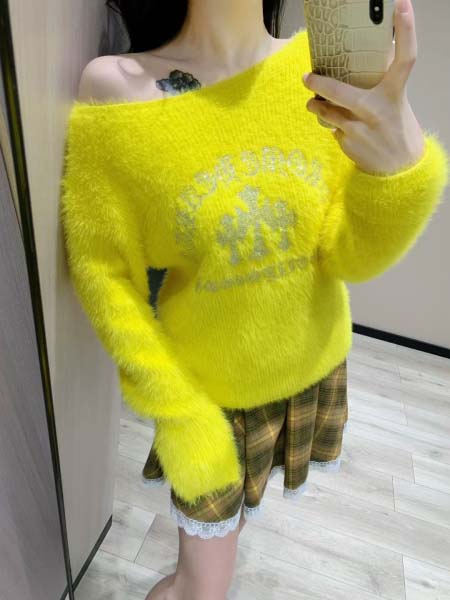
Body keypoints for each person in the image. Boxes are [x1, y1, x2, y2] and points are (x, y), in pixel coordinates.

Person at [60, 0, 449, 598]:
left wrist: (397, 174)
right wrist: (179, 415)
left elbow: (345, 257)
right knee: (201, 587)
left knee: (219, 556)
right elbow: (104, 273)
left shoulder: (316, 71)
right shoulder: (118, 87)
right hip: (208, 400)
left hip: (308, 370)